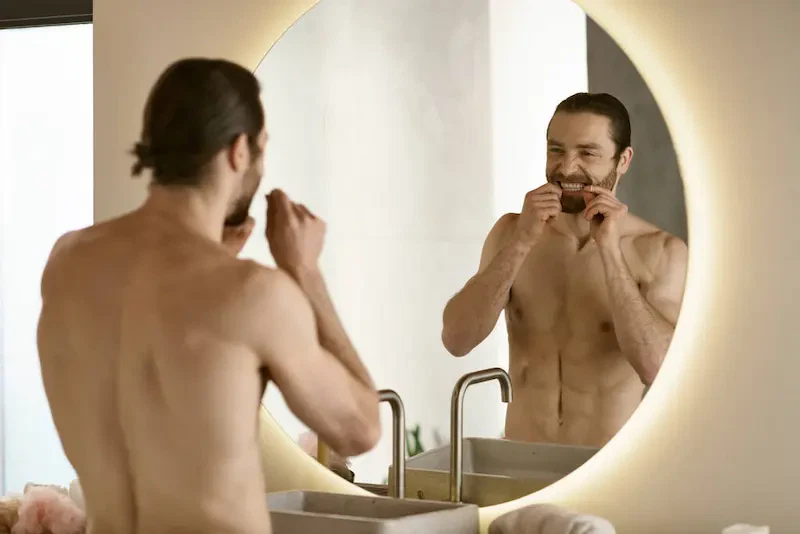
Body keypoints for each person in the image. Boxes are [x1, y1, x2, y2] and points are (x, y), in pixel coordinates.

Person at [36, 58, 380, 534]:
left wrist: (218, 258)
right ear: (240, 150)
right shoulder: (255, 295)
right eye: (262, 149)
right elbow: (360, 428)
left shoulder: (67, 264)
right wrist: (304, 272)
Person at [441, 93, 687, 448]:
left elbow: (656, 366)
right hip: (520, 460)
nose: (567, 168)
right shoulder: (511, 233)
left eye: (587, 153)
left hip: (607, 468)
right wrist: (522, 243)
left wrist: (609, 251)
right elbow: (456, 339)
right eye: (556, 150)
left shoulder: (660, 250)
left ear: (623, 160)